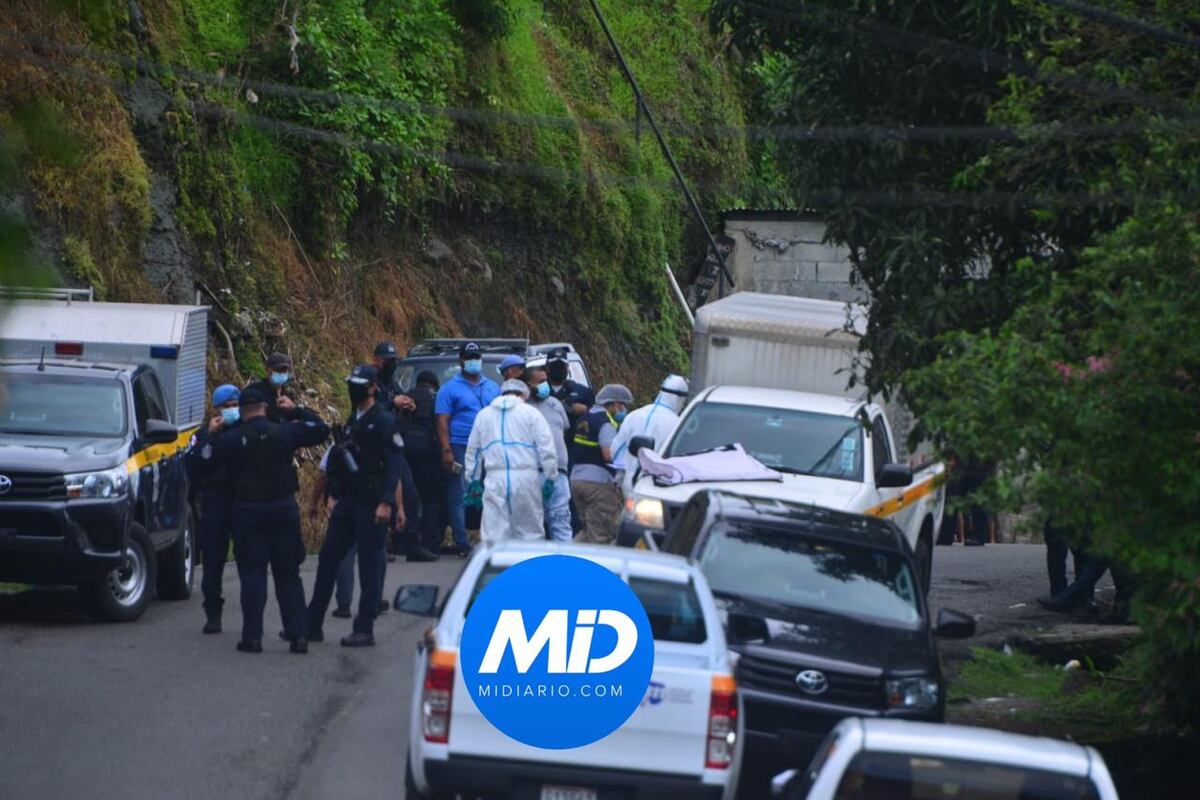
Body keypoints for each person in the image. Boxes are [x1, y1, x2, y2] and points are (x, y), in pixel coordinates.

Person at [200, 384, 329, 654]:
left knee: (253, 575)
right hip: (283, 508)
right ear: (265, 408)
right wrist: (297, 410)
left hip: (249, 510)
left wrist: (209, 435)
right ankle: (298, 635)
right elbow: (320, 428)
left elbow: (204, 461)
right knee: (288, 574)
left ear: (242, 411)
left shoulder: (231, 440)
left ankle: (253, 636)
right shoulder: (283, 432)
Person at [307, 365, 406, 648]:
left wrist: (388, 502)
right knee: (328, 560)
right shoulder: (353, 420)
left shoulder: (384, 420)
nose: (355, 388)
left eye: (360, 384)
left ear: (373, 387)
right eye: (352, 383)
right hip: (348, 501)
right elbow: (338, 464)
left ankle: (365, 627)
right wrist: (332, 495)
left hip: (372, 502)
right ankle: (312, 624)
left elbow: (394, 463)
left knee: (370, 565)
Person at [464, 379, 558, 542]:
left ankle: (497, 566)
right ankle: (528, 566)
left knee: (494, 533)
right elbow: (546, 447)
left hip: (495, 478)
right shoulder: (531, 413)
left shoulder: (484, 415)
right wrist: (550, 476)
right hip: (526, 478)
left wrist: (472, 479)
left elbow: (473, 450)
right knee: (530, 532)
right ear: (524, 394)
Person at [435, 342, 501, 556]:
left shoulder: (492, 387)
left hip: (489, 447)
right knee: (459, 494)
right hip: (461, 446)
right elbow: (442, 421)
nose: (474, 361)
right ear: (461, 361)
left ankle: (491, 541)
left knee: (491, 492)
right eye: (469, 357)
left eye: (476, 356)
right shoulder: (449, 389)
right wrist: (446, 450)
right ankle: (462, 543)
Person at [187, 384, 240, 634]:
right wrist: (209, 435)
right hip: (213, 504)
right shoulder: (203, 434)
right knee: (212, 563)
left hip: (242, 502)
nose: (231, 410)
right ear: (216, 409)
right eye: (226, 407)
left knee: (250, 561)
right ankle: (213, 614)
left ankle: (252, 616)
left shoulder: (245, 431)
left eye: (235, 406)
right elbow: (195, 464)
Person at [570, 384, 632, 545]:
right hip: (597, 485)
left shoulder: (585, 418)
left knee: (587, 532)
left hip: (576, 481)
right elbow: (608, 454)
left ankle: (563, 560)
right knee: (601, 536)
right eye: (623, 405)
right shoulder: (605, 422)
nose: (623, 410)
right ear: (615, 404)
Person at [610, 374, 689, 497]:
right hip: (656, 487)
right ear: (680, 399)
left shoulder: (633, 415)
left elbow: (616, 450)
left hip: (627, 483)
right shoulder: (677, 423)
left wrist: (618, 479)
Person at [524, 363, 572, 541]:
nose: (546, 385)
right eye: (541, 382)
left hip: (558, 472)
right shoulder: (522, 409)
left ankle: (564, 562)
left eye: (546, 381)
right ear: (528, 386)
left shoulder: (555, 404)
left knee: (561, 519)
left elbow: (564, 430)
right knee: (532, 524)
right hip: (532, 472)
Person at [403, 370, 446, 553]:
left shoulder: (406, 398)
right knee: (430, 499)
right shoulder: (437, 399)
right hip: (428, 453)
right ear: (434, 385)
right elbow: (440, 425)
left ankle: (404, 540)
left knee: (408, 497)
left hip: (405, 451)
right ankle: (428, 542)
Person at [244, 352, 298, 423]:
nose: (281, 373)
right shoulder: (254, 391)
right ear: (267, 370)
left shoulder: (288, 394)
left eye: (284, 370)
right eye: (278, 370)